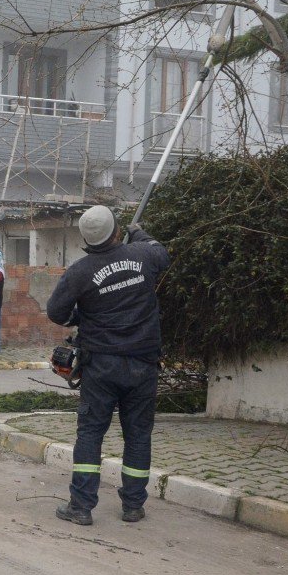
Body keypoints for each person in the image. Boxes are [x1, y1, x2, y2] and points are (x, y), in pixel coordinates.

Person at [46, 205, 170, 526]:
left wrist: (81, 316)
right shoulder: (142, 255)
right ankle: (133, 506)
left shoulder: (80, 272)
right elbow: (162, 253)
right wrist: (138, 232)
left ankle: (81, 506)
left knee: (90, 433)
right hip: (143, 365)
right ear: (117, 231)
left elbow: (56, 312)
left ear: (86, 239)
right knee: (139, 434)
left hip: (101, 366)